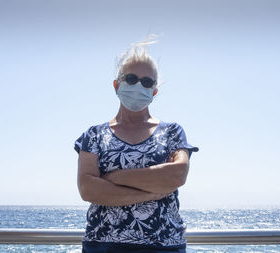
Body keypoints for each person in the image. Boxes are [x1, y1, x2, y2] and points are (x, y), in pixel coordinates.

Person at [74, 37, 198, 253]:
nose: (139, 86)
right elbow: (88, 188)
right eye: (131, 79)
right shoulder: (94, 135)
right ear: (117, 84)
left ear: (154, 91)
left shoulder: (172, 132)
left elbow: (176, 176)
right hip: (103, 245)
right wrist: (153, 191)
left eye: (147, 82)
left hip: (164, 246)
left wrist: (114, 177)